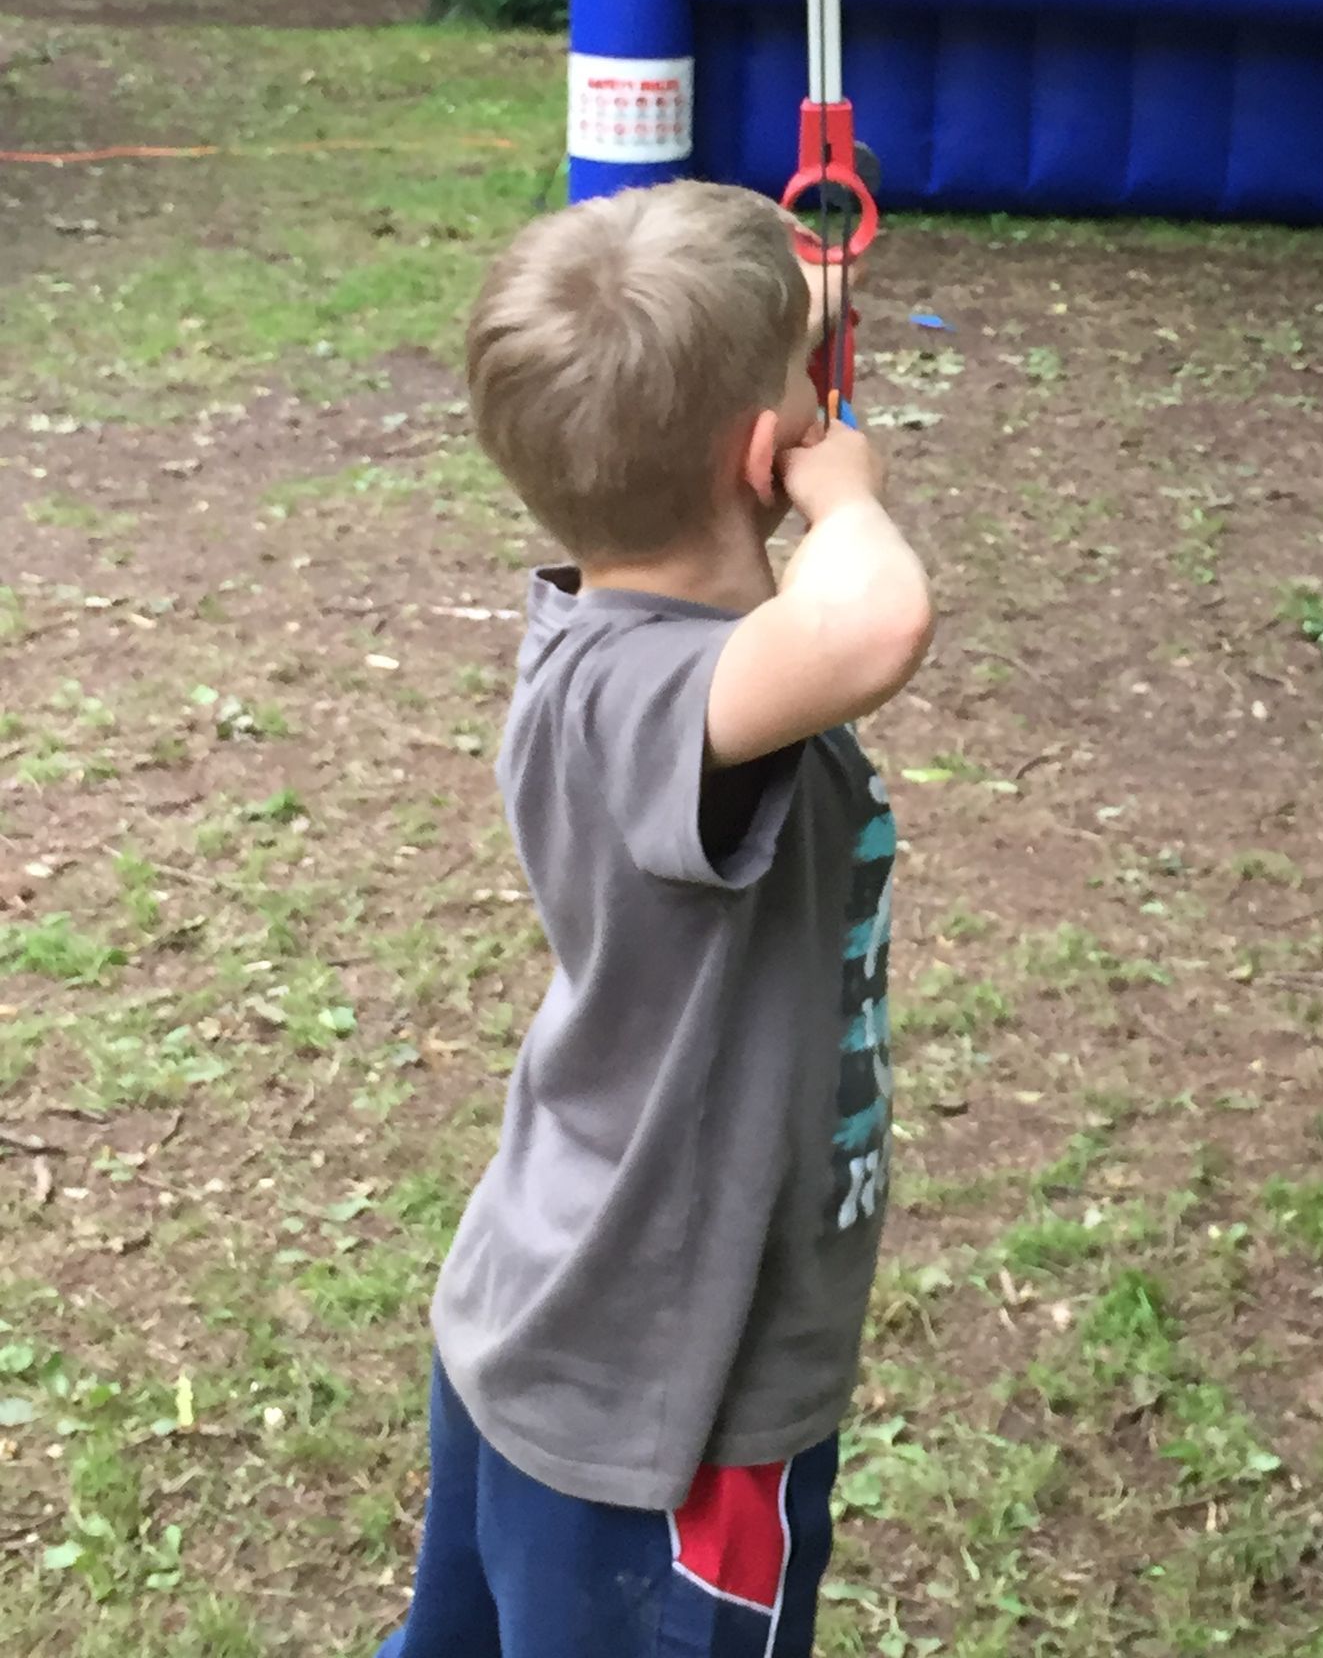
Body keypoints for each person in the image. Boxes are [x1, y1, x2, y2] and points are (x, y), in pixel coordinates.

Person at [376, 179, 933, 1658]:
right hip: (661, 1417)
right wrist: (851, 496)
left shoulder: (598, 639)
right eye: (797, 413)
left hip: (552, 1322)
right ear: (767, 457)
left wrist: (790, 319)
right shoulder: (661, 703)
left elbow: (691, 407)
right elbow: (871, 623)